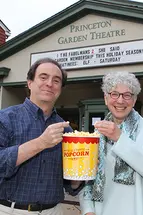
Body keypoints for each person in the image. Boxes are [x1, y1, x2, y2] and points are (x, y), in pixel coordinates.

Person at [0, 58, 83, 215]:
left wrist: (79, 173)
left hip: (54, 210)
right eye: (43, 77)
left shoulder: (66, 131)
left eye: (56, 80)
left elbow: (70, 186)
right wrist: (40, 143)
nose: (50, 83)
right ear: (30, 83)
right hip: (10, 210)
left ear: (60, 88)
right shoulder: (5, 119)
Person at [79, 71, 143, 215]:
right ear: (106, 99)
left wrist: (120, 138)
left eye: (127, 95)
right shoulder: (97, 134)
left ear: (134, 100)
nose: (120, 101)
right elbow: (86, 178)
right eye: (114, 94)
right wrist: (88, 209)